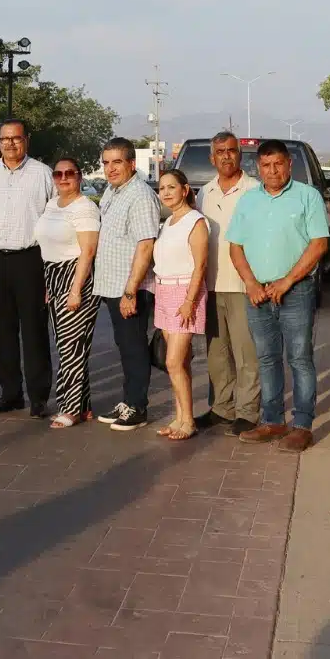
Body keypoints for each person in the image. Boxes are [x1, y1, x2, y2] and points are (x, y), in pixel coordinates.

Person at [226, 139, 330, 452]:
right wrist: (250, 283)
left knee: (299, 358)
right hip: (258, 293)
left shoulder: (307, 196)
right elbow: (235, 246)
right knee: (267, 358)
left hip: (295, 291)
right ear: (258, 168)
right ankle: (272, 421)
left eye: (279, 164)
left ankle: (302, 425)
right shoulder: (248, 201)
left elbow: (318, 244)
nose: (273, 171)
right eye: (266, 166)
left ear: (289, 165)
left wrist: (287, 281)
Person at [0, 118, 54, 416]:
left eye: (16, 138)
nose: (10, 143)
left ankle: (39, 396)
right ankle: (10, 393)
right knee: (0, 331)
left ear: (26, 139)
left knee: (34, 330)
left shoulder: (43, 175)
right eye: (5, 139)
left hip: (31, 259)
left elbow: (54, 220)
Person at [196, 131, 262, 435]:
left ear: (240, 155)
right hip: (210, 285)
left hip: (243, 284)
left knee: (246, 352)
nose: (226, 156)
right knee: (217, 353)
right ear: (212, 158)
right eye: (220, 151)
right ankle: (222, 407)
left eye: (231, 150)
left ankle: (248, 411)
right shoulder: (204, 193)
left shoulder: (254, 190)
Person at [93, 137, 161, 431]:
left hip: (130, 288)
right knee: (124, 346)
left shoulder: (140, 195)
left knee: (134, 347)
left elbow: (145, 245)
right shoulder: (112, 192)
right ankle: (128, 400)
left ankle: (138, 407)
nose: (110, 168)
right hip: (112, 286)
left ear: (132, 164)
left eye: (117, 162)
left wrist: (130, 291)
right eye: (106, 163)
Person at [33, 156, 100, 428]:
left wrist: (75, 290)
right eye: (58, 174)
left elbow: (89, 251)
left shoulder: (85, 208)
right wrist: (51, 286)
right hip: (54, 275)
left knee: (71, 347)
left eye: (69, 173)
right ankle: (83, 406)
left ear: (79, 177)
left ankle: (69, 408)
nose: (63, 178)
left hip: (76, 276)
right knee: (67, 344)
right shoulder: (52, 204)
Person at [152, 169, 210, 441]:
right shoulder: (169, 222)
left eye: (171, 187)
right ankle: (179, 418)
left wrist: (189, 301)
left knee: (173, 361)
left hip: (184, 293)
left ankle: (189, 421)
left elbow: (200, 266)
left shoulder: (195, 221)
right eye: (161, 188)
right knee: (178, 363)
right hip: (163, 293)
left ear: (185, 189)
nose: (165, 192)